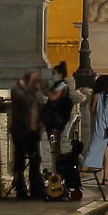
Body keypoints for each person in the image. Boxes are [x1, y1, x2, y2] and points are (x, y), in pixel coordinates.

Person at [40, 63, 81, 200]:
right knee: (54, 148)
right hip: (53, 121)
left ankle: (57, 175)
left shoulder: (62, 86)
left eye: (56, 73)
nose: (54, 75)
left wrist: (43, 88)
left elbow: (53, 97)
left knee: (55, 149)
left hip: (56, 122)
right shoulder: (58, 85)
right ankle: (56, 174)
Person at [7, 70, 46, 199]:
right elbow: (26, 103)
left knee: (35, 159)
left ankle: (36, 188)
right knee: (20, 160)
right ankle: (20, 187)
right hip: (21, 131)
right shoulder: (18, 91)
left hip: (32, 131)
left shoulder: (32, 92)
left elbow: (40, 105)